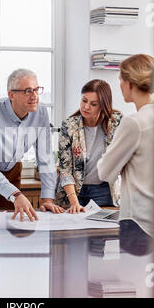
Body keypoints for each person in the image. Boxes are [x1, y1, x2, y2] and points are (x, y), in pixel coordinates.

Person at [0, 68, 64, 222]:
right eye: (27, 91)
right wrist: (16, 194)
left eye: (36, 90)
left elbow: (45, 157)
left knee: (12, 223)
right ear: (11, 95)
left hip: (12, 169)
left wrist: (47, 199)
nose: (34, 96)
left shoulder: (40, 112)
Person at [97, 54, 154, 256]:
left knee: (133, 284)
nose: (120, 85)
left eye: (120, 80)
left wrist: (119, 160)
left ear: (129, 83)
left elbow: (104, 172)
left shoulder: (134, 123)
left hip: (138, 222)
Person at [55, 79, 123, 213]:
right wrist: (74, 202)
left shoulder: (116, 122)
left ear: (103, 105)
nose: (86, 107)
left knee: (101, 232)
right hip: (73, 192)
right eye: (84, 100)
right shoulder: (69, 126)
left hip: (103, 190)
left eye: (93, 104)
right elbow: (65, 169)